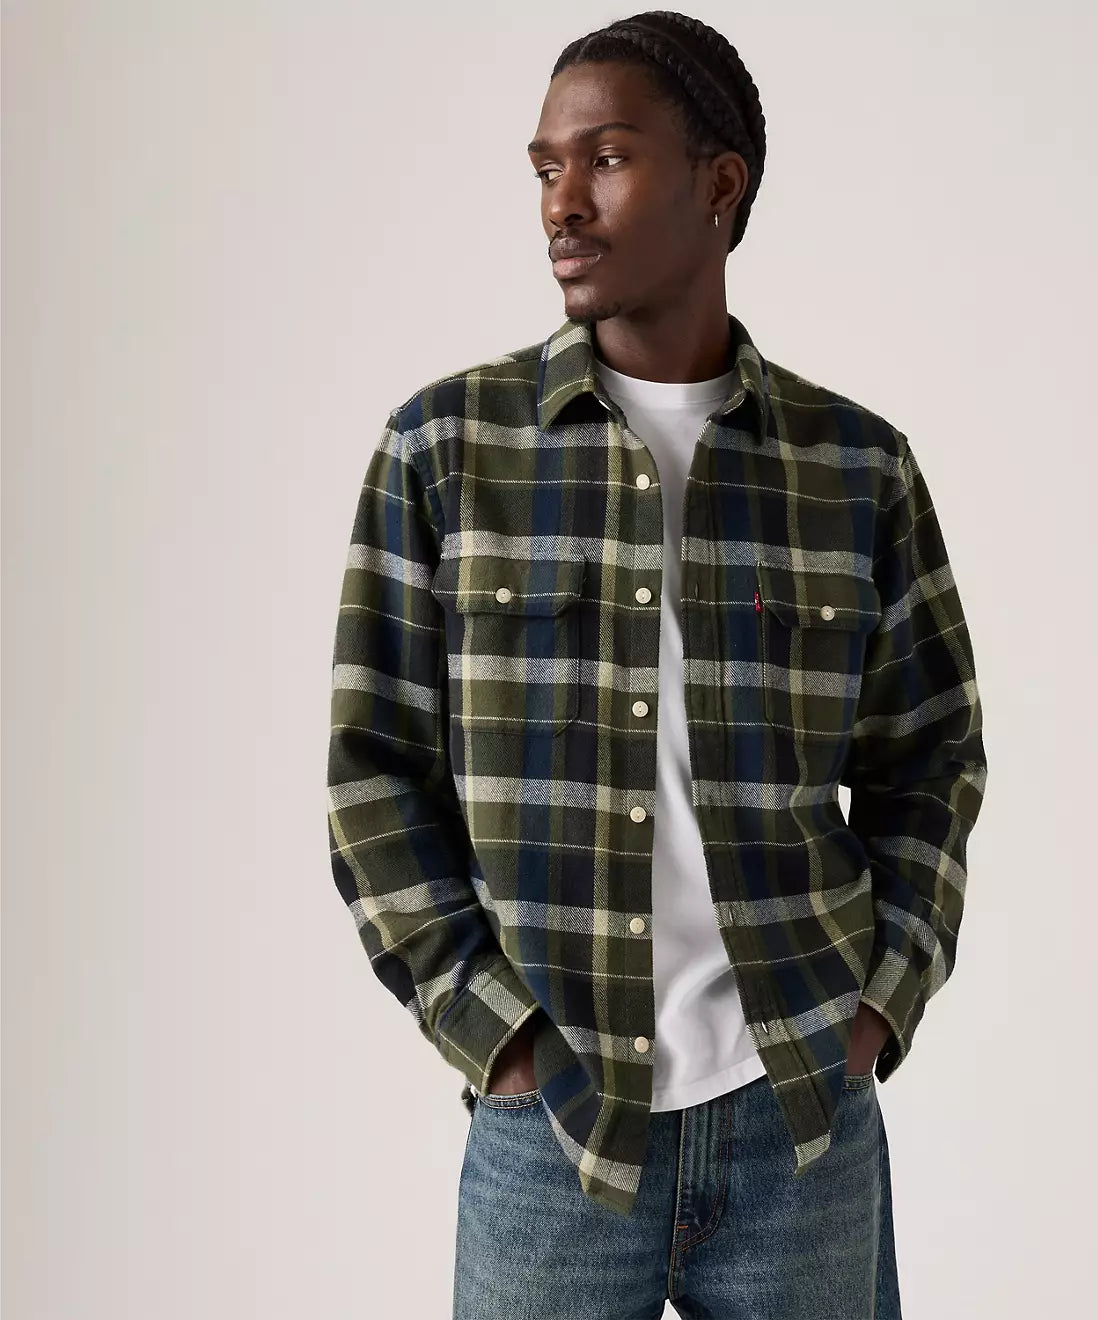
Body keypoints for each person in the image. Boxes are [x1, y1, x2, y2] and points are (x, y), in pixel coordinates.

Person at [325, 11, 987, 1318]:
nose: (562, 203)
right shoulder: (445, 451)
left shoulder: (856, 468)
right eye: (545, 168)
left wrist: (876, 1009)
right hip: (555, 1132)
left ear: (719, 184)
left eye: (608, 158)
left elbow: (932, 759)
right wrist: (495, 1035)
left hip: (801, 1126)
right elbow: (373, 774)